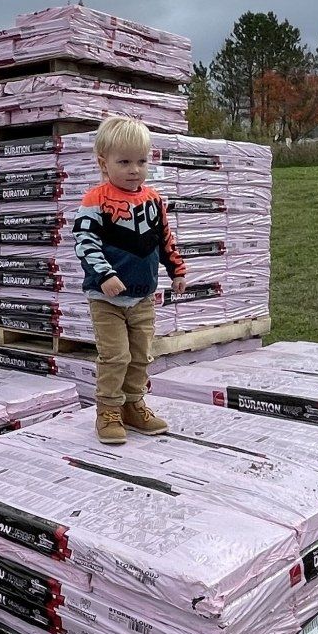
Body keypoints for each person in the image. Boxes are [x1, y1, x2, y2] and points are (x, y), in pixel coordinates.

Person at [71, 114, 186, 445]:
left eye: (141, 161)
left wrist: (176, 269)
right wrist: (104, 275)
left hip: (143, 297)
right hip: (106, 300)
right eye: (124, 161)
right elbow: (85, 243)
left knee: (140, 355)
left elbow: (164, 239)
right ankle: (108, 409)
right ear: (103, 163)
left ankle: (134, 404)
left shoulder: (153, 200)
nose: (134, 169)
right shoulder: (96, 200)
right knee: (116, 355)